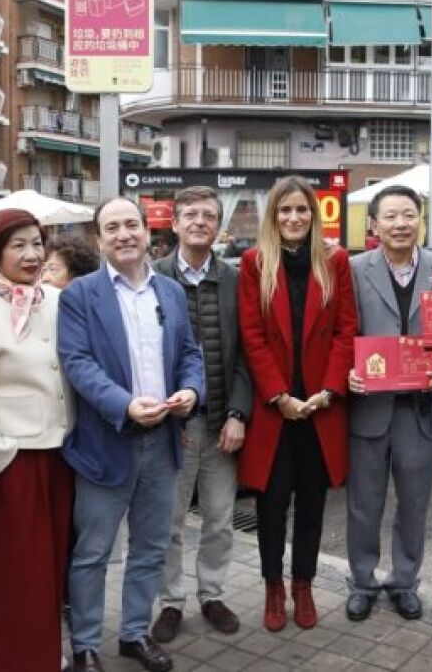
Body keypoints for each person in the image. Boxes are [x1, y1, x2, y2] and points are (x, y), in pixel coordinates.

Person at [58, 197, 204, 672]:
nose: (123, 234)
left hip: (163, 443)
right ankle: (85, 644)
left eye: (131, 225)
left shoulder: (171, 292)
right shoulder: (79, 295)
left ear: (146, 231)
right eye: (112, 227)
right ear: (99, 239)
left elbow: (190, 352)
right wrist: (124, 405)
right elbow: (77, 363)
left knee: (151, 547)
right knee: (93, 553)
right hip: (105, 444)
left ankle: (134, 634)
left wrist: (191, 390)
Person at [237, 175, 357, 632]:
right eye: (285, 210)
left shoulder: (335, 260)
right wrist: (278, 395)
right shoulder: (255, 262)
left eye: (301, 209)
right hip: (275, 409)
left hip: (320, 407)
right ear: (273, 215)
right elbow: (252, 335)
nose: (293, 217)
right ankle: (273, 586)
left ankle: (303, 584)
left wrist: (329, 390)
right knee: (270, 508)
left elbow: (346, 329)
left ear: (314, 214)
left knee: (312, 504)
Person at [0, 210, 75, 671]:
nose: (31, 254)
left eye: (36, 243)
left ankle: (47, 649)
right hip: (15, 457)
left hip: (63, 451)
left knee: (54, 562)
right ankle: (19, 660)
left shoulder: (60, 299)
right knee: (19, 568)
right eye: (18, 246)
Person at [345, 185, 432, 622]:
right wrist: (347, 372)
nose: (400, 224)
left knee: (414, 504)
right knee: (363, 504)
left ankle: (405, 582)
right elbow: (343, 332)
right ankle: (362, 582)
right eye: (390, 216)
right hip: (370, 406)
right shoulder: (353, 269)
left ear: (420, 219)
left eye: (408, 214)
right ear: (374, 224)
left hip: (422, 407)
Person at [151, 187, 252, 643]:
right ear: (174, 223)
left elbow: (247, 354)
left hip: (221, 423)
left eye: (208, 216)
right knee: (168, 522)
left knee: (219, 519)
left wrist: (238, 413)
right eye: (189, 215)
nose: (199, 222)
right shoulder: (153, 278)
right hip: (170, 426)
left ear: (218, 226)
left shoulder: (236, 279)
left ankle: (211, 594)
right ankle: (170, 602)